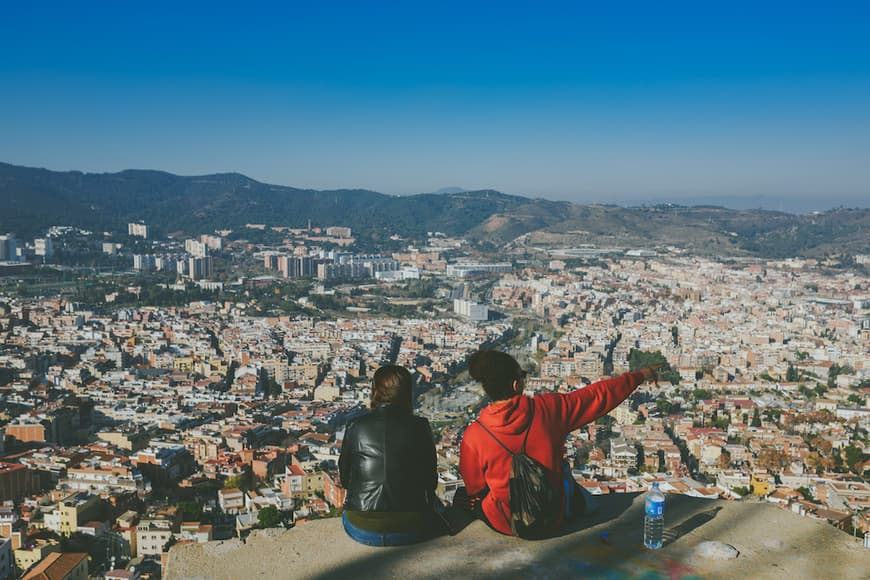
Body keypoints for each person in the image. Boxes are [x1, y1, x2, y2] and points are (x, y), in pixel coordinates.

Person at [458, 349, 661, 538]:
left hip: (505, 523)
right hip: (553, 518)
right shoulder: (548, 409)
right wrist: (640, 375)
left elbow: (475, 488)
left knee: (462, 498)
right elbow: (597, 396)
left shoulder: (474, 435)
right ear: (515, 385)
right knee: (562, 469)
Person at [339, 364, 439, 546]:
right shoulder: (420, 426)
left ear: (374, 390)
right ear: (407, 392)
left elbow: (345, 478)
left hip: (361, 526)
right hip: (411, 527)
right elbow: (431, 481)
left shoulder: (355, 426)